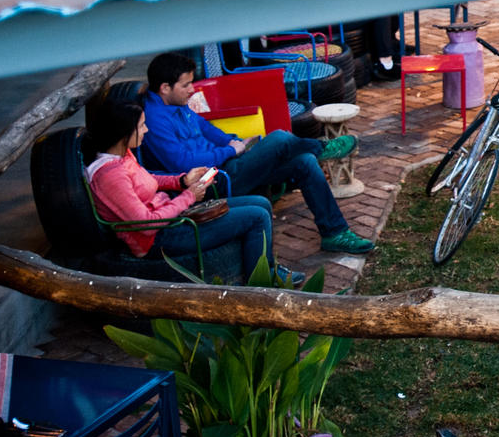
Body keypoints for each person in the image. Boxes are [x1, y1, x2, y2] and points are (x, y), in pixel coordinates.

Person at [138, 52, 376, 254]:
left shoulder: (176, 103)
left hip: (227, 165)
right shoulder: (154, 120)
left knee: (303, 162)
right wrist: (228, 151)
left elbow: (206, 129)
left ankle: (334, 233)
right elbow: (181, 162)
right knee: (281, 138)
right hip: (210, 182)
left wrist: (235, 141)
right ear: (165, 88)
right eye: (186, 85)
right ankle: (322, 148)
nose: (192, 90)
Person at [83, 92, 299, 285]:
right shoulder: (111, 176)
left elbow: (148, 179)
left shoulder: (123, 155)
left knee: (260, 203)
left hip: (172, 216)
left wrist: (183, 180)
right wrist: (188, 196)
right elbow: (147, 225)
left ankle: (266, 269)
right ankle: (261, 283)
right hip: (159, 237)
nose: (146, 130)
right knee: (257, 216)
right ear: (123, 133)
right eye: (141, 126)